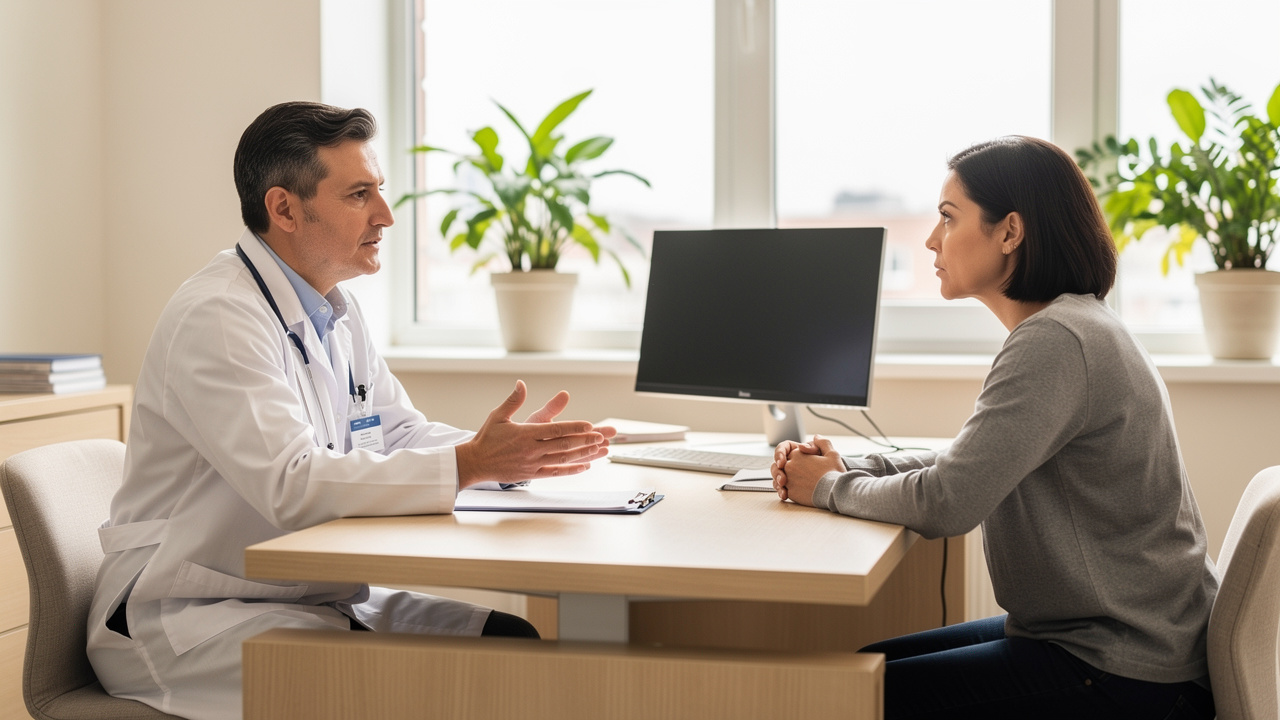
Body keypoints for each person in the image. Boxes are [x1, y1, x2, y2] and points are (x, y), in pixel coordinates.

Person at [86, 101, 615, 720]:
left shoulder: (333, 307)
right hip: (191, 616)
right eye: (359, 195)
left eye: (378, 190)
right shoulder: (220, 316)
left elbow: (398, 432)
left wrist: (509, 455)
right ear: (284, 209)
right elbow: (291, 484)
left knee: (510, 643)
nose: (385, 215)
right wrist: (471, 463)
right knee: (457, 688)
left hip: (299, 598)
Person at [771, 136, 1218, 720]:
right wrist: (852, 468)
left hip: (1124, 670)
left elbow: (948, 501)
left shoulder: (1057, 341)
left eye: (948, 217)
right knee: (866, 668)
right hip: (1116, 644)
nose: (931, 240)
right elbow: (969, 463)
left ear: (1010, 232)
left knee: (854, 694)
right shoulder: (1073, 325)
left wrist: (829, 488)